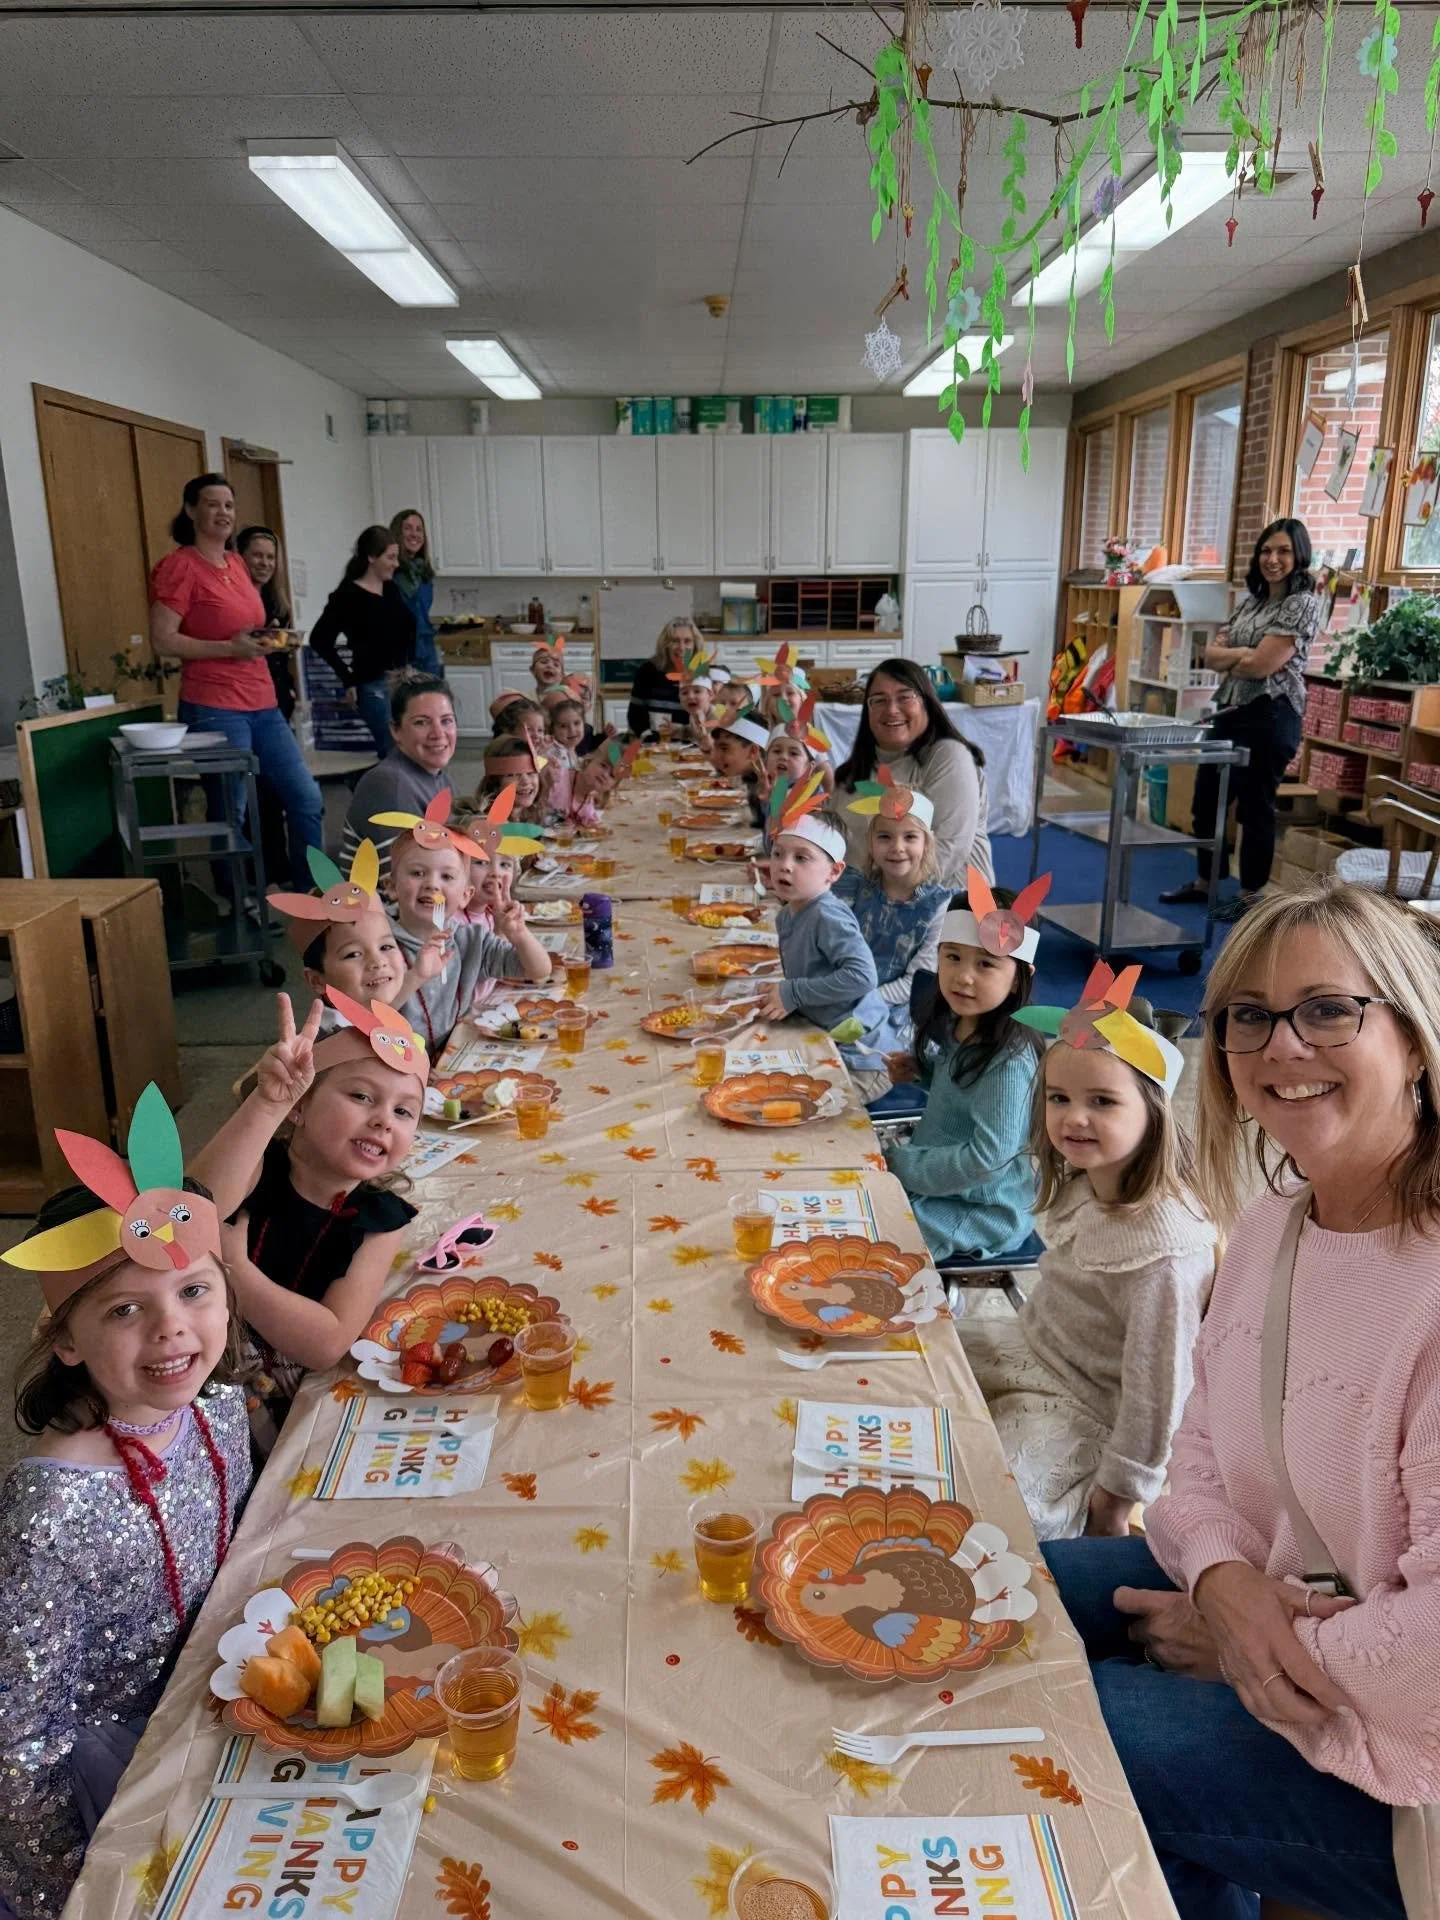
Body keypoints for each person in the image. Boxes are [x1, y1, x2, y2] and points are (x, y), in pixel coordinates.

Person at [1042, 882, 1440, 1920]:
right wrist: (1222, 1581)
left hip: (1413, 1769)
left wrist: (1246, 1654)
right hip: (1289, 1607)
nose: (1282, 1047)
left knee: (1060, 1722)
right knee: (1018, 1599)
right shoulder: (1273, 1222)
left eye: (1329, 1009)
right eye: (1248, 1016)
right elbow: (1201, 1451)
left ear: (1414, 1035)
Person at [0, 1095, 253, 1917]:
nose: (172, 1329)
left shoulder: (217, 1411)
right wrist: (67, 1893)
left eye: (194, 1291)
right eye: (124, 1308)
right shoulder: (49, 1518)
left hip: (225, 1714)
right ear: (65, 1340)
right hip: (114, 1783)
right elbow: (20, 1747)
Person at [959, 969, 1216, 1540]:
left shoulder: (1163, 1257)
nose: (1074, 1117)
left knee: (993, 1510)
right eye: (1059, 1098)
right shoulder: (1087, 1181)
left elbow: (1158, 1397)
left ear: (1154, 1110)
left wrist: (1117, 1499)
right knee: (913, 1361)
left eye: (1102, 1101)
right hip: (1031, 1349)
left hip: (1087, 1404)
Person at [192, 994, 422, 1453]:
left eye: (403, 1111)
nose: (383, 1120)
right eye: (361, 1096)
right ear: (300, 1106)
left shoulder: (382, 1219)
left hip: (285, 1415)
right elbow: (193, 1208)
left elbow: (327, 1343)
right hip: (194, 1389)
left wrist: (235, 1268)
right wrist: (267, 1104)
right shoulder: (256, 1165)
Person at [149, 473, 323, 889]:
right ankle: (236, 898)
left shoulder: (237, 564)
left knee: (306, 797)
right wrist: (230, 648)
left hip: (262, 702)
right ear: (191, 510)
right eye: (212, 504)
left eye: (229, 505)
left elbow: (243, 628)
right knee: (232, 810)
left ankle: (313, 892)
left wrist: (269, 639)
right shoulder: (180, 567)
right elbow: (163, 640)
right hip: (214, 705)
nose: (223, 513)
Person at [1161, 518, 1322, 924]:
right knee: (1206, 800)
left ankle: (1250, 895)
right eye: (1266, 550)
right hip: (1231, 710)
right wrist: (1243, 656)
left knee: (1254, 807)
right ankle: (1206, 881)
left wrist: (1239, 656)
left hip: (1272, 714)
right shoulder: (1252, 601)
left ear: (1299, 556)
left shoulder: (1302, 603)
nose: (1273, 559)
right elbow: (1210, 656)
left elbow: (1263, 665)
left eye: (1283, 551)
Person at [883, 876, 1043, 1263]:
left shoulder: (1009, 1061)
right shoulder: (962, 1022)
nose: (963, 976)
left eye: (986, 963)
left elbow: (987, 1161)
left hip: (985, 1209)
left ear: (1019, 978)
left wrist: (902, 1165)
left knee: (877, 1229)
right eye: (952, 957)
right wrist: (923, 1072)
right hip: (946, 1185)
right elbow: (965, 1094)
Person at [382, 800, 551, 1056]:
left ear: (465, 895)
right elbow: (368, 1018)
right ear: (391, 887)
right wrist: (415, 976)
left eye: (447, 877)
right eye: (417, 873)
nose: (432, 885)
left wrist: (519, 935)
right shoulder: (379, 944)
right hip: (396, 1064)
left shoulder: (471, 939)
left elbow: (539, 970)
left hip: (451, 1056)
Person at [833, 781, 949, 1101]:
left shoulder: (939, 907)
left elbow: (915, 984)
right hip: (845, 1001)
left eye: (910, 837)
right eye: (885, 837)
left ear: (927, 843)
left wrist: (861, 1001)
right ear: (871, 843)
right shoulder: (854, 889)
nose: (897, 847)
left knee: (847, 1088)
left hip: (897, 1019)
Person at [833, 660, 992, 888]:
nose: (891, 709)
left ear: (927, 703)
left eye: (905, 697)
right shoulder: (851, 773)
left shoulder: (948, 755)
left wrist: (881, 902)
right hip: (859, 898)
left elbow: (948, 850)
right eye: (879, 700)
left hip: (943, 899)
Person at [753, 788, 877, 1032]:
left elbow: (863, 977)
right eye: (778, 854)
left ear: (834, 871)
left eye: (801, 858)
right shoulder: (786, 915)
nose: (785, 866)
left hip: (853, 1038)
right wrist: (783, 993)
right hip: (814, 1022)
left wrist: (794, 993)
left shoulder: (826, 916)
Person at [308, 526, 416, 756]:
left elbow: (407, 628)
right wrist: (347, 679)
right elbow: (319, 639)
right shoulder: (347, 596)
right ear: (371, 557)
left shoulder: (391, 589)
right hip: (373, 684)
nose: (396, 564)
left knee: (411, 746)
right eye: (390, 557)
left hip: (403, 681)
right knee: (393, 749)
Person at [340, 675, 458, 883]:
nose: (438, 733)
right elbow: (407, 885)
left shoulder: (439, 778)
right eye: (422, 722)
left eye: (446, 721)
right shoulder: (389, 783)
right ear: (396, 730)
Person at [236, 524, 298, 892]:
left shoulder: (277, 603)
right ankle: (250, 875)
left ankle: (280, 866)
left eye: (270, 557)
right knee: (249, 793)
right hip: (242, 703)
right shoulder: (235, 604)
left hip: (276, 701)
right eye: (257, 555)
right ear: (239, 558)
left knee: (277, 790)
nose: (264, 563)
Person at [627, 619, 700, 735]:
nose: (682, 647)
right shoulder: (647, 671)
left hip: (692, 742)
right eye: (675, 641)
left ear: (695, 646)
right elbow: (635, 716)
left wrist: (682, 733)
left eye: (687, 641)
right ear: (665, 645)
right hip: (654, 741)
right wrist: (648, 738)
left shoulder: (703, 676)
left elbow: (710, 721)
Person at [389, 509, 438, 677]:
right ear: (397, 533)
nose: (414, 534)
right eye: (407, 528)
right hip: (400, 655)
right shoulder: (390, 573)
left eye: (419, 529)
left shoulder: (424, 573)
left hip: (426, 651)